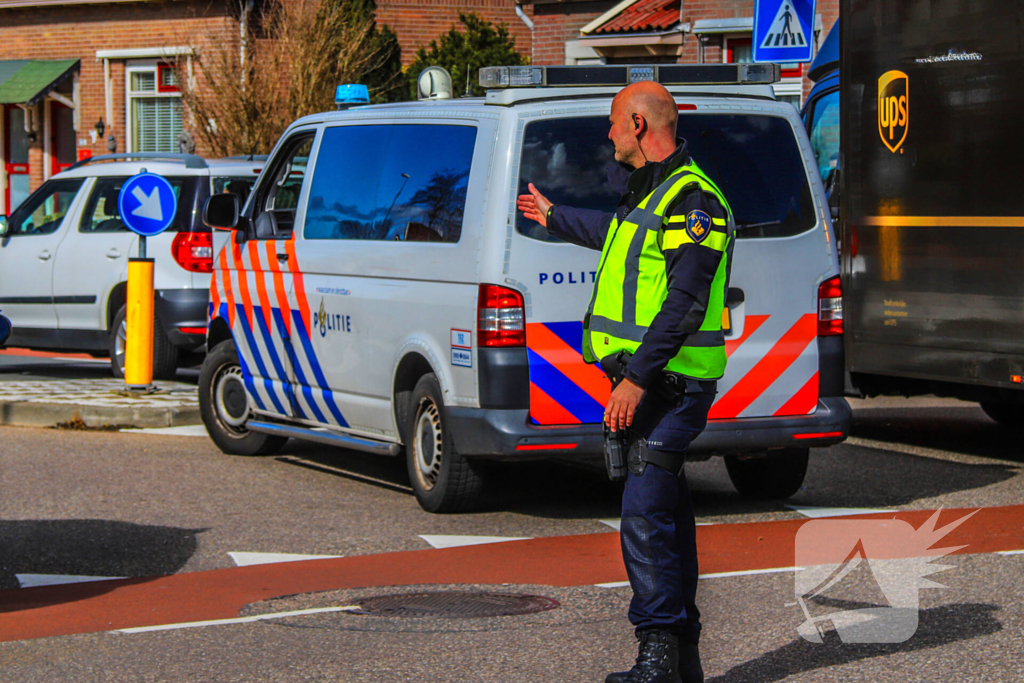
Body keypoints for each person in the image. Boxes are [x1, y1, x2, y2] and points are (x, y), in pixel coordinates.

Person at [517, 81, 733, 683]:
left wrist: (636, 379)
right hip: (653, 385)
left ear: (639, 125)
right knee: (666, 511)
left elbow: (685, 304)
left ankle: (657, 656)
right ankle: (682, 658)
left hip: (671, 387)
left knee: (643, 513)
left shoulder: (694, 203)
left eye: (613, 123)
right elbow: (615, 234)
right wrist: (555, 216)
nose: (608, 135)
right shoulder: (654, 194)